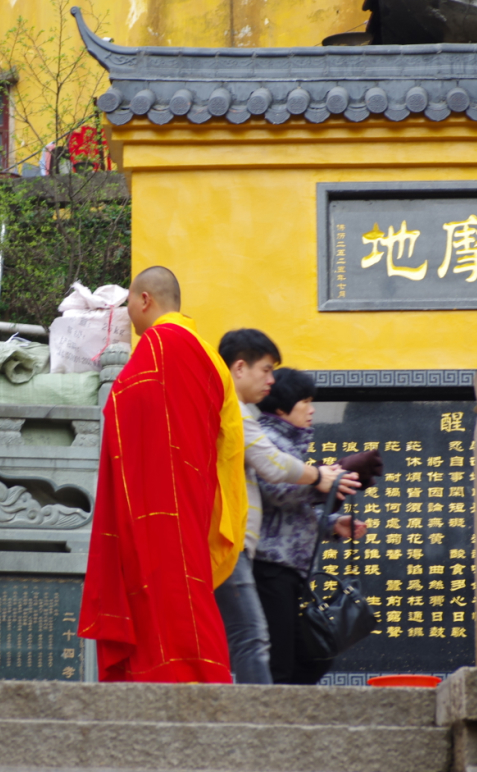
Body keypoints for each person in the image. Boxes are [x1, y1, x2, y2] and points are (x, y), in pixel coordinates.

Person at [78, 267, 247, 683]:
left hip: (161, 499)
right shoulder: (209, 355)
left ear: (145, 300)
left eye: (129, 305)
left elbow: (122, 405)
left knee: (166, 589)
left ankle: (188, 678)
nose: (128, 317)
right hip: (197, 496)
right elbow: (228, 442)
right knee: (185, 589)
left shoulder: (160, 344)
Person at [214, 329, 359, 683]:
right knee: (258, 641)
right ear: (239, 368)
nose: (270, 379)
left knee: (281, 648)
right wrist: (319, 480)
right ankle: (263, 724)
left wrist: (329, 521)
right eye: (265, 370)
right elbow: (274, 480)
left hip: (277, 561)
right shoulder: (248, 420)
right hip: (261, 559)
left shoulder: (269, 429)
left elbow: (290, 507)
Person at [253, 367, 378, 685]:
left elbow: (291, 514)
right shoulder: (266, 440)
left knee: (311, 656)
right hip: (269, 567)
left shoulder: (289, 442)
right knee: (281, 662)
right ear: (282, 407)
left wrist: (333, 524)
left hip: (291, 569)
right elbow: (275, 492)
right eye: (305, 401)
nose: (312, 410)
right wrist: (323, 479)